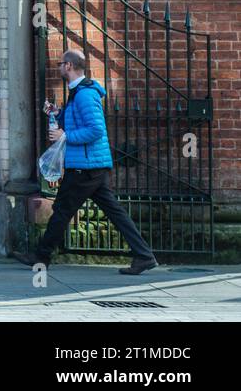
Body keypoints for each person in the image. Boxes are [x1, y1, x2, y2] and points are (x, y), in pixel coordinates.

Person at [13, 49, 158, 275]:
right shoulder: (78, 92)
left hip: (85, 166)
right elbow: (78, 122)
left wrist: (65, 136)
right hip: (91, 166)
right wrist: (58, 113)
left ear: (69, 66)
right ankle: (144, 255)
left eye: (61, 63)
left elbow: (96, 130)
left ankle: (41, 256)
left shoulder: (84, 95)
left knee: (61, 209)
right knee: (114, 212)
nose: (59, 67)